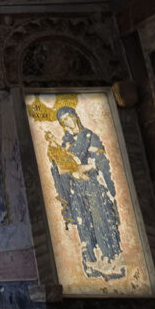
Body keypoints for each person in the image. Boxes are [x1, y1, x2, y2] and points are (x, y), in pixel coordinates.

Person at [44, 105, 125, 281]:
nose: (67, 122)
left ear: (75, 117)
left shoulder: (89, 136)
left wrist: (84, 167)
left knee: (100, 221)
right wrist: (60, 165)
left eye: (69, 117)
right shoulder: (64, 143)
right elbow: (60, 167)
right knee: (84, 224)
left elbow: (101, 161)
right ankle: (92, 262)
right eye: (63, 120)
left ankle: (110, 259)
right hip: (76, 190)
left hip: (93, 186)